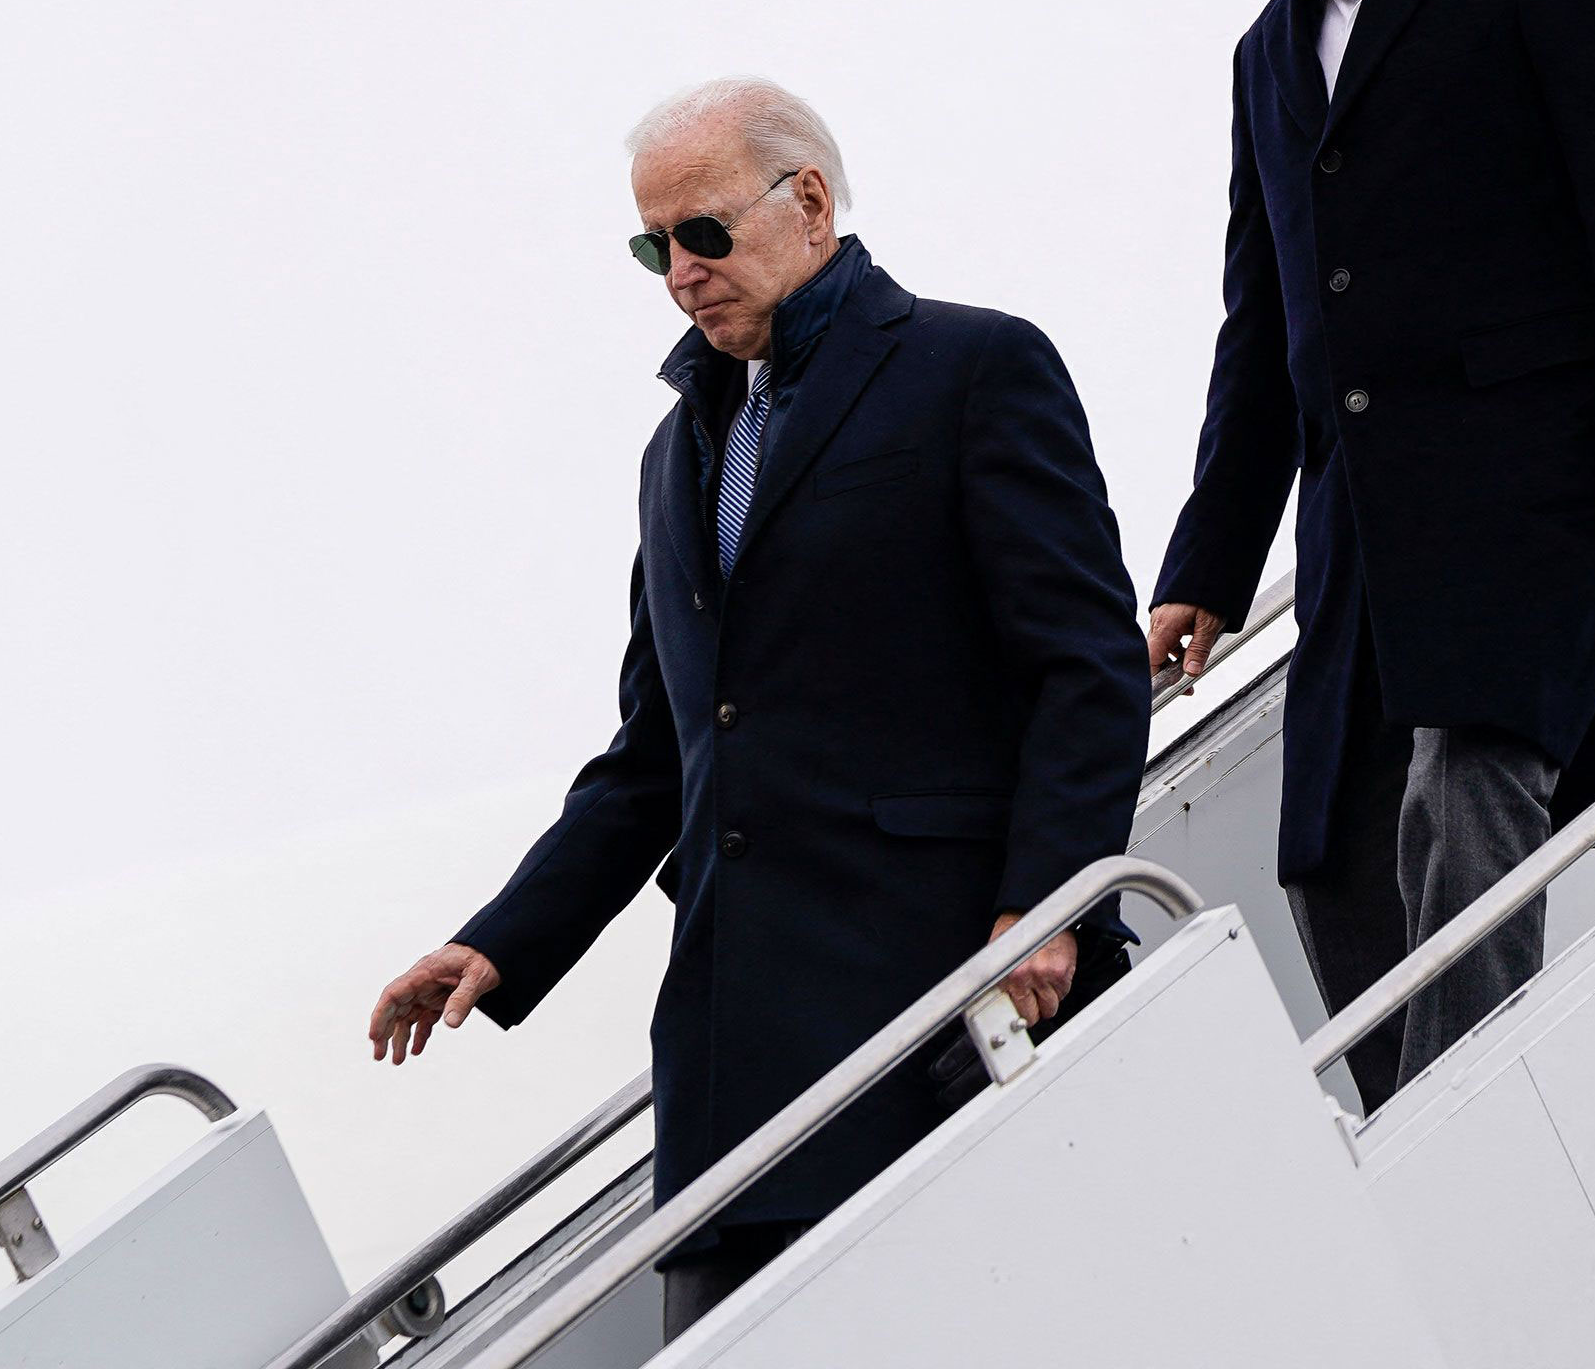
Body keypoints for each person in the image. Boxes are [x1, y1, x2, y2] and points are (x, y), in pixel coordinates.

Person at [365, 78, 1150, 1339]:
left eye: (705, 233)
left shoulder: (971, 366)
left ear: (811, 202)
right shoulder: (672, 455)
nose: (680, 270)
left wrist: (1046, 909)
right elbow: (650, 758)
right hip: (738, 1063)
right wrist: (503, 938)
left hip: (947, 1005)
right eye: (652, 246)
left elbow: (1086, 665)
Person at [1148, 0, 1595, 1111]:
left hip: (1532, 482)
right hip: (1363, 525)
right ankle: (1418, 1132)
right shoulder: (1267, 56)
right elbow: (1266, 328)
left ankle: (1475, 1123)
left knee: (1466, 782)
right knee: (1331, 861)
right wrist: (1206, 571)